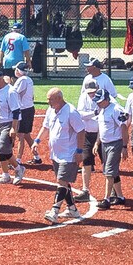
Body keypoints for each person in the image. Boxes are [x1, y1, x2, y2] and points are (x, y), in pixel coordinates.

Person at [39, 88, 86, 223]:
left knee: (61, 181)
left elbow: (81, 131)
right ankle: (72, 209)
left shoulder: (71, 112)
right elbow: (46, 127)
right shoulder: (51, 110)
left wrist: (79, 151)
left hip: (69, 154)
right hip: (56, 154)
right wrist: (37, 141)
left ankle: (54, 211)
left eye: (50, 99)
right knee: (64, 182)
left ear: (59, 98)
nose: (48, 102)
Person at [95, 86, 129, 209]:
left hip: (115, 144)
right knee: (111, 171)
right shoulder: (102, 110)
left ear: (106, 99)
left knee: (109, 172)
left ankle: (106, 199)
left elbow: (123, 128)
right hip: (105, 144)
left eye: (99, 101)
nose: (97, 103)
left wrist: (124, 146)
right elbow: (101, 128)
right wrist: (97, 143)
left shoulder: (115, 109)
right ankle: (120, 197)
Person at [0, 70, 24, 184]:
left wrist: (13, 128)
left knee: (3, 149)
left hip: (9, 123)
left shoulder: (10, 91)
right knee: (0, 151)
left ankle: (18, 168)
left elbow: (16, 111)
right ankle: (5, 175)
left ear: (0, 79)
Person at [8, 61, 39, 165]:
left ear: (19, 71)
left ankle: (18, 160)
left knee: (20, 136)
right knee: (26, 135)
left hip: (23, 110)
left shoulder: (22, 80)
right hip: (29, 108)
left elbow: (14, 93)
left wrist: (8, 84)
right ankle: (37, 156)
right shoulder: (29, 79)